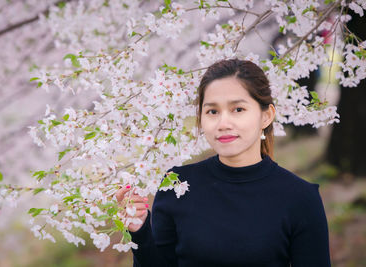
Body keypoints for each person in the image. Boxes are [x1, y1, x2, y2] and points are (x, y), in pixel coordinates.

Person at [115, 59, 331, 267]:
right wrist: (140, 231)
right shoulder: (177, 186)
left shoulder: (300, 198)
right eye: (212, 111)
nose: (223, 123)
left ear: (266, 116)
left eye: (238, 109)